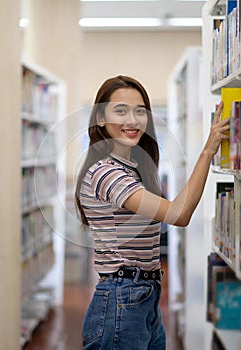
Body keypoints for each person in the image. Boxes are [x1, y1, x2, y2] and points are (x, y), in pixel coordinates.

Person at [75, 75, 229, 349]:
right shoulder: (106, 172)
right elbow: (178, 215)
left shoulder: (130, 168)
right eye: (121, 110)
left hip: (142, 296)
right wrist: (208, 151)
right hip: (123, 300)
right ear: (100, 118)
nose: (132, 120)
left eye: (140, 111)